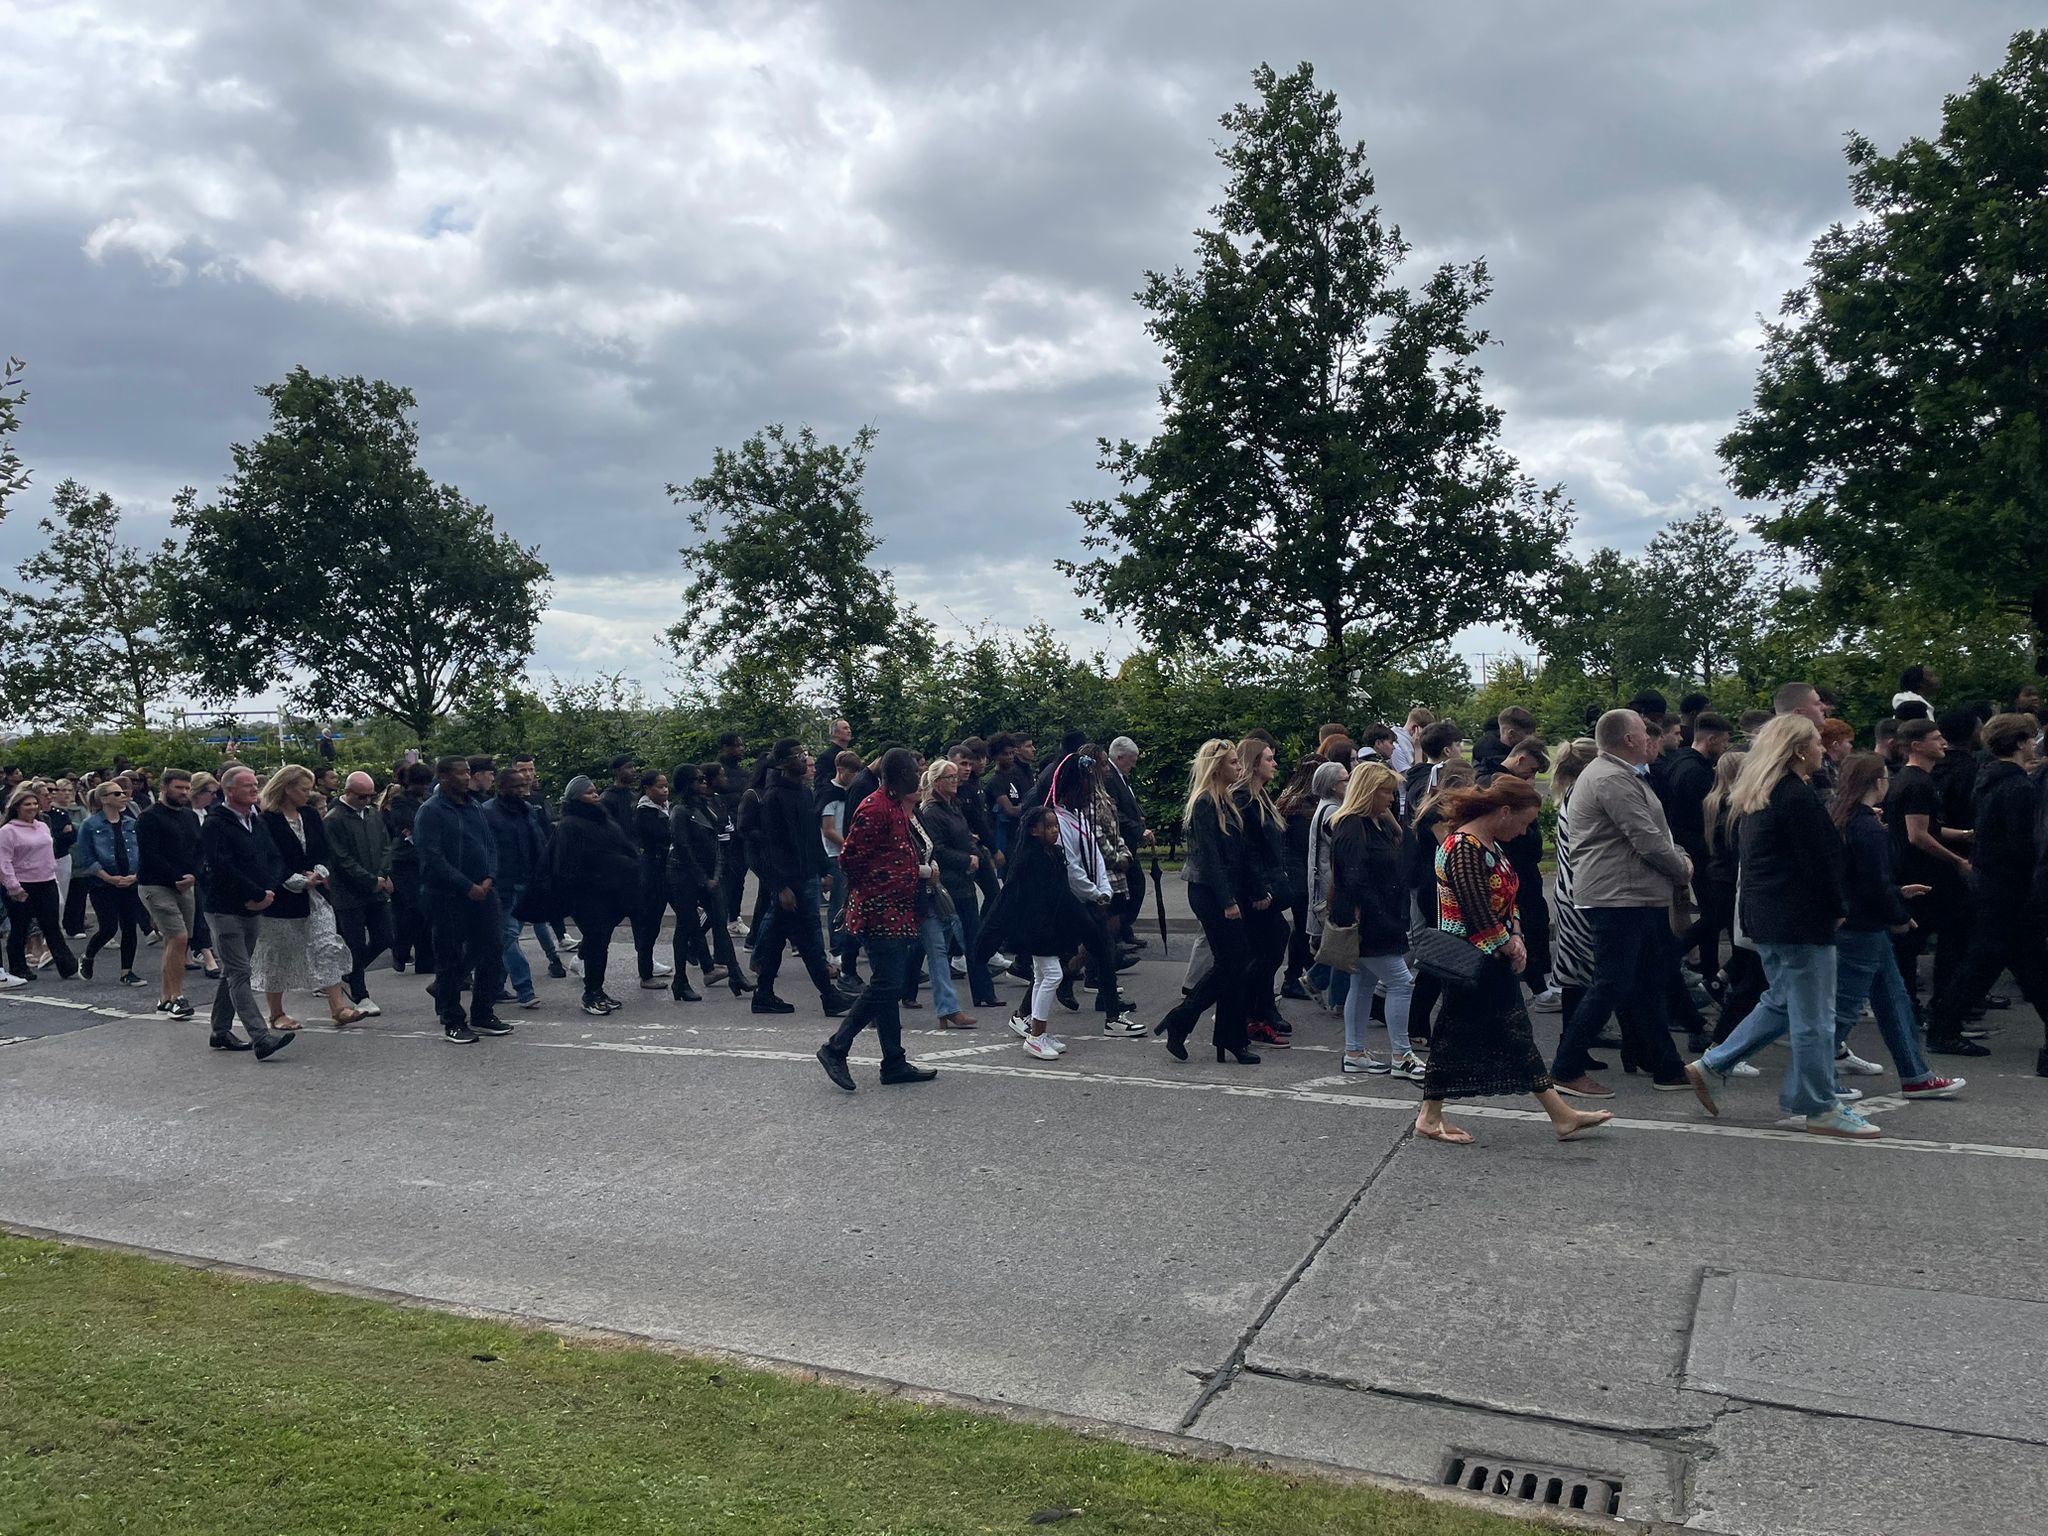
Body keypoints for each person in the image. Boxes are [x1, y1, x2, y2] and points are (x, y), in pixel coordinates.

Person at [1685, 716, 1880, 1137]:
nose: (1822, 749)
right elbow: (1821, 861)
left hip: (1769, 916)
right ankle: (1820, 1106)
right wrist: (1838, 906)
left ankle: (1714, 1063)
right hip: (1801, 918)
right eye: (1815, 743)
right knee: (1815, 1018)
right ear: (1797, 750)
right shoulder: (1796, 795)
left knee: (1780, 1001)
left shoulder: (1759, 794)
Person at [1413, 777, 1615, 1146]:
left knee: (1500, 1034)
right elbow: (1475, 907)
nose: (1524, 832)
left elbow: (1506, 899)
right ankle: (1432, 1116)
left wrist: (1516, 936)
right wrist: (1509, 944)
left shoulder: (1487, 844)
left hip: (1488, 957)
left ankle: (1559, 1116)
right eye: (1523, 822)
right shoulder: (1464, 846)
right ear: (1504, 812)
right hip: (1471, 960)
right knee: (1476, 1034)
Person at [1547, 709, 1696, 1099]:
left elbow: (1651, 833)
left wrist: (1675, 857)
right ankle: (1566, 1067)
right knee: (1611, 983)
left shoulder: (1618, 775)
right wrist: (1682, 867)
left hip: (1630, 894)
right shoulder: (1612, 777)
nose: (1652, 738)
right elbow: (1646, 838)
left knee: (1645, 982)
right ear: (1628, 739)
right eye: (1644, 732)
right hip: (1619, 897)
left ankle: (1665, 1066)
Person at [1818, 753, 1966, 1099]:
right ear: (1877, 783)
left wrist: (1895, 899)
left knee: (1893, 998)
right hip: (1864, 925)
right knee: (1846, 1007)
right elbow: (1874, 881)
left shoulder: (1842, 818)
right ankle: (1815, 1076)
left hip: (1857, 921)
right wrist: (1898, 914)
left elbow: (1857, 879)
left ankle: (1915, 1073)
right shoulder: (1867, 826)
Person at [1925, 713, 2048, 1073]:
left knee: (2005, 963)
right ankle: (1943, 1027)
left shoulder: (1990, 780)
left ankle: (1943, 1026)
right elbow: (2026, 843)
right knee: (2012, 963)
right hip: (2012, 889)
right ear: (2022, 742)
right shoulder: (2018, 788)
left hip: (1994, 885)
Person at [815, 747, 939, 1091]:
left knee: (888, 981)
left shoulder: (895, 807)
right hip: (877, 909)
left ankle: (894, 1061)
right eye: (914, 773)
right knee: (887, 984)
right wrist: (915, 872)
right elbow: (850, 860)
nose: (919, 778)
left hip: (897, 908)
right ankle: (835, 1048)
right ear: (898, 777)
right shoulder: (874, 807)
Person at [1155, 741, 1258, 1063]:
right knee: (1233, 962)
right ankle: (1192, 1022)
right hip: (1209, 892)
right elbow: (1210, 858)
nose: (1238, 768)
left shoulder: (1224, 800)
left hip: (1221, 890)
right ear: (1216, 767)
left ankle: (1212, 1030)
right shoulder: (1204, 803)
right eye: (1232, 763)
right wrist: (1228, 900)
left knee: (1233, 964)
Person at [1326, 763, 1423, 1079]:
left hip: (1377, 916)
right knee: (1400, 981)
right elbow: (1354, 879)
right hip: (1371, 920)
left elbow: (1402, 848)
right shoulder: (1353, 826)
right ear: (1369, 792)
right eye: (1386, 792)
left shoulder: (1372, 823)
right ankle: (1402, 1054)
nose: (1392, 799)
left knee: (1364, 983)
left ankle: (1354, 1051)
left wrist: (1391, 821)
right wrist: (1380, 916)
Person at [253, 765, 363, 1030]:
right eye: (304, 789)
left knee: (326, 944)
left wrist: (319, 871)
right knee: (279, 953)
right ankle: (276, 1013)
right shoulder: (265, 820)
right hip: (282, 898)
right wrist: (295, 880)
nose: (308, 793)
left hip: (317, 895)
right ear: (287, 788)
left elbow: (323, 850)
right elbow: (268, 858)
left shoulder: (310, 815)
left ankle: (338, 1007)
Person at [979, 806, 1093, 1057]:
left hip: (1048, 927)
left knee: (1043, 976)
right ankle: (1035, 1035)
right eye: (1048, 826)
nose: (1054, 830)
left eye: (1055, 826)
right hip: (1035, 929)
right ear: (1033, 831)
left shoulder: (1053, 853)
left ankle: (1038, 1031)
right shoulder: (1028, 859)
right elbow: (1011, 898)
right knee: (1052, 975)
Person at [197, 766, 293, 1059]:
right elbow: (221, 866)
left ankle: (220, 1029)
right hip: (226, 908)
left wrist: (267, 891)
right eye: (248, 786)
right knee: (240, 972)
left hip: (256, 905)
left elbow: (274, 857)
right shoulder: (216, 824)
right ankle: (260, 1036)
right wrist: (254, 894)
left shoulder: (257, 821)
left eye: (255, 785)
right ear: (229, 790)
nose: (255, 790)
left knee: (232, 971)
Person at [413, 756, 510, 1043]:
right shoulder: (431, 811)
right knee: (450, 956)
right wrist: (465, 885)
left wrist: (490, 876)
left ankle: (483, 1012)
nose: (467, 777)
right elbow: (431, 857)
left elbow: (490, 845)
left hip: (484, 892)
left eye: (468, 772)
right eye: (461, 773)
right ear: (443, 777)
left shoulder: (475, 806)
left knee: (491, 949)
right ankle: (452, 1018)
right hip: (448, 896)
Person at [750, 741, 850, 1019]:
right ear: (783, 763)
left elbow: (810, 837)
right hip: (790, 881)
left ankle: (764, 993)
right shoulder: (774, 797)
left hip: (807, 876)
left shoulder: (804, 793)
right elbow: (771, 848)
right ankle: (829, 996)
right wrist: (780, 886)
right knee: (808, 939)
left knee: (776, 937)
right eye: (798, 756)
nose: (804, 759)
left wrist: (823, 871)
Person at [1885, 717, 1973, 1019]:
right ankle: (1934, 1005)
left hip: (1912, 870)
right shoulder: (1918, 783)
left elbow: (1927, 827)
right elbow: (1917, 834)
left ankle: (1913, 1004)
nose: (1943, 743)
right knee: (1935, 938)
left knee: (1913, 942)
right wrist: (1958, 860)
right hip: (1922, 874)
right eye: (1936, 738)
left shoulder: (1910, 780)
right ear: (1916, 745)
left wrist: (1963, 834)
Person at [549, 774, 637, 1017]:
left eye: (595, 791)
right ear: (577, 798)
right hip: (586, 894)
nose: (595, 795)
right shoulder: (570, 824)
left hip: (609, 892)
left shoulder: (602, 818)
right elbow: (568, 864)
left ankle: (597, 989)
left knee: (600, 943)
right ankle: (591, 993)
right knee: (596, 941)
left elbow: (619, 845)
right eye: (589, 793)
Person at [917, 758, 995, 1024]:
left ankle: (982, 993)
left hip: (963, 880)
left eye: (955, 777)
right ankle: (895, 994)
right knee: (932, 946)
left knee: (970, 937)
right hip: (944, 884)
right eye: (949, 777)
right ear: (937, 782)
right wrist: (965, 859)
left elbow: (966, 836)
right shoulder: (931, 811)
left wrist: (973, 854)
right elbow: (936, 847)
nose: (956, 781)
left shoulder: (954, 805)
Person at [325, 770, 395, 1015]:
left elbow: (386, 846)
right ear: (348, 792)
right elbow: (340, 859)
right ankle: (360, 992)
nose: (367, 800)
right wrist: (369, 880)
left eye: (370, 796)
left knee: (385, 936)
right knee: (353, 942)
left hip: (375, 887)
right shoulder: (334, 819)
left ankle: (349, 973)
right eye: (362, 796)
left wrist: (384, 875)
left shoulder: (373, 815)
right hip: (349, 893)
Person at [136, 768, 202, 1017]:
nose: (184, 793)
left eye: (187, 788)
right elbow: (151, 854)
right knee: (178, 936)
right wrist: (176, 878)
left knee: (177, 941)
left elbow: (199, 848)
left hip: (186, 883)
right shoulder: (149, 817)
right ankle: (177, 996)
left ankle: (164, 997)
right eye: (179, 788)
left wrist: (194, 875)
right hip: (156, 884)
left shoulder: (190, 816)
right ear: (164, 787)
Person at [0, 785, 78, 987]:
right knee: (20, 927)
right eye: (27, 804)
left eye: (35, 803)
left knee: (51, 925)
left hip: (46, 880)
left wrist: (51, 871)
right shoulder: (8, 831)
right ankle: (18, 966)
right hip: (21, 884)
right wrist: (13, 887)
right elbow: (4, 861)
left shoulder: (42, 825)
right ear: (17, 807)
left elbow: (48, 852)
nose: (33, 807)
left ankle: (67, 965)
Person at [78, 781, 148, 986]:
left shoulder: (130, 823)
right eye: (117, 794)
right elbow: (86, 858)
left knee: (129, 926)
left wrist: (135, 876)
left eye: (124, 793)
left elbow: (141, 852)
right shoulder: (90, 825)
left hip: (130, 881)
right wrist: (108, 878)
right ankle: (88, 956)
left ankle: (127, 971)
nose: (123, 796)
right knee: (108, 927)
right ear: (104, 799)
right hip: (103, 884)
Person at [630, 770, 692, 994]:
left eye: (666, 786)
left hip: (670, 871)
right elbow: (665, 837)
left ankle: (700, 958)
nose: (665, 790)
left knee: (691, 915)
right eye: (659, 786)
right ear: (647, 789)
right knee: (651, 924)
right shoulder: (644, 813)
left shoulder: (667, 809)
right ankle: (645, 973)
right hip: (653, 873)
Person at [1301, 760, 1352, 1009]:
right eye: (1345, 778)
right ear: (1332, 786)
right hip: (1332, 887)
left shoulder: (1327, 807)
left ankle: (1317, 979)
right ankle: (1336, 999)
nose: (1350, 780)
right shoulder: (1333, 812)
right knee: (1344, 940)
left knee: (1340, 940)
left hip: (1328, 885)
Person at [385, 762, 435, 975]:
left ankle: (426, 959)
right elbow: (408, 824)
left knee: (425, 909)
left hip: (422, 859)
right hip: (404, 861)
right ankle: (401, 948)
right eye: (419, 784)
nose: (423, 788)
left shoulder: (425, 799)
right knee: (411, 908)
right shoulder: (400, 800)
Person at [1403, 720, 1462, 818]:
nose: (1461, 749)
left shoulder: (1418, 776)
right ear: (1447, 751)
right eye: (1457, 745)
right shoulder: (1436, 782)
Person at [600, 754, 640, 839]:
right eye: (628, 767)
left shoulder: (634, 796)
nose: (633, 770)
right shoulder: (606, 798)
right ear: (617, 771)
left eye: (633, 766)